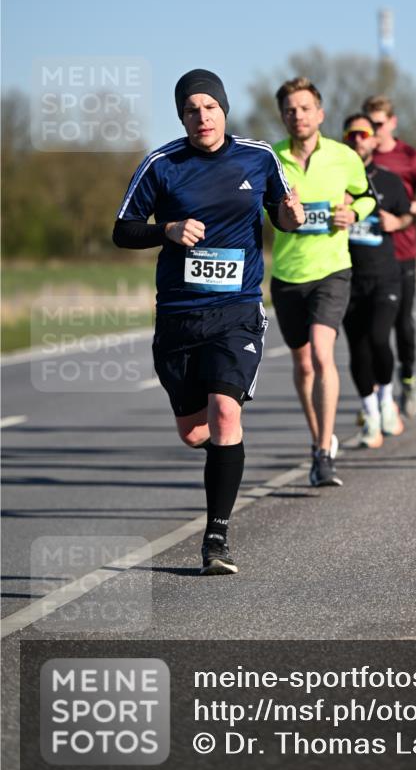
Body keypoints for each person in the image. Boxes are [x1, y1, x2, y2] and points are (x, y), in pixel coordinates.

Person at [113, 69, 304, 575]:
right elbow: (123, 230)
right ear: (182, 117)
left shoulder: (258, 157)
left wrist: (292, 215)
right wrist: (168, 230)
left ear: (224, 110)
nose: (203, 117)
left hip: (237, 310)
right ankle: (223, 454)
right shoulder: (162, 164)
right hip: (179, 316)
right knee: (195, 432)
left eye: (210, 107)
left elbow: (284, 217)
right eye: (192, 110)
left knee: (225, 412)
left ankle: (215, 540)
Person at [271, 78, 376, 486]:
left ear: (320, 114)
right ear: (282, 117)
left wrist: (355, 214)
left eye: (305, 108)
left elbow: (366, 196)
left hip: (332, 269)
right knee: (303, 364)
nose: (297, 115)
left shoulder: (343, 156)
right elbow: (260, 207)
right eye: (290, 110)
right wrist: (284, 212)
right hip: (287, 274)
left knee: (321, 352)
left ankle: (323, 454)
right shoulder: (271, 158)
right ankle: (320, 438)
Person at [362, 95, 416, 418]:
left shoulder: (409, 157)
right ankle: (374, 395)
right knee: (370, 332)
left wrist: (401, 213)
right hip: (366, 257)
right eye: (368, 125)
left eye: (378, 124)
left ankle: (407, 376)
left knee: (402, 323)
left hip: (401, 252)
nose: (373, 131)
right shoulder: (354, 157)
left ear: (392, 123)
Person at [341, 113, 413, 446]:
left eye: (363, 134)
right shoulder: (335, 179)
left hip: (385, 275)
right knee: (357, 348)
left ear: (373, 139)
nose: (358, 139)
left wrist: (396, 223)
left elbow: (407, 215)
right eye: (352, 134)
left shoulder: (389, 180)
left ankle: (386, 400)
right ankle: (370, 414)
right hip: (347, 276)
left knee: (379, 339)